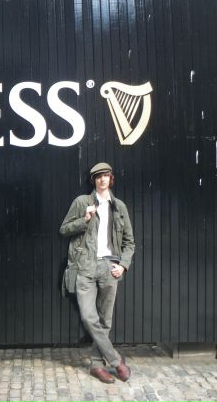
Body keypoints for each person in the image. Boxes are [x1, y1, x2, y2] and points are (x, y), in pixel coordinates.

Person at [60, 162, 135, 384]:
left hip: (110, 267)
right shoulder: (82, 202)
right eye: (98, 176)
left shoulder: (119, 207)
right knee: (88, 316)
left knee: (105, 320)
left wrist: (123, 265)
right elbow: (64, 229)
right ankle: (116, 360)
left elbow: (129, 242)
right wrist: (84, 219)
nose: (102, 179)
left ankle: (96, 365)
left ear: (111, 179)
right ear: (93, 180)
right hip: (85, 266)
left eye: (106, 175)